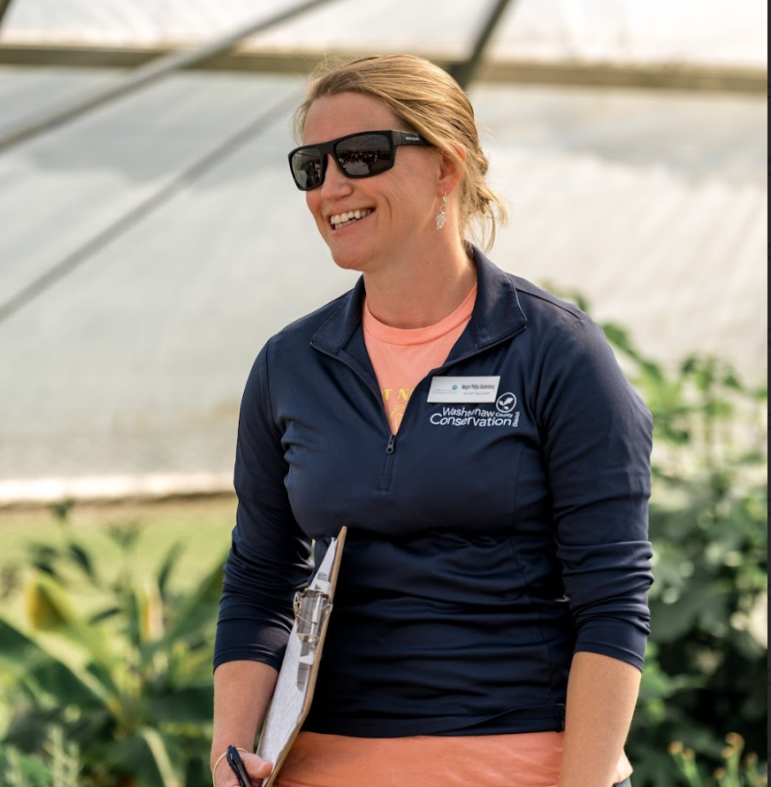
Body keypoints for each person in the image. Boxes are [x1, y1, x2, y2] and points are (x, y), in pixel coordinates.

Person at [211, 54, 653, 787]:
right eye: (310, 166)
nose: (332, 186)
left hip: (522, 757)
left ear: (446, 168)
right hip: (321, 760)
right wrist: (230, 754)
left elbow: (611, 597)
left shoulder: (555, 353)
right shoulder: (289, 365)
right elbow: (260, 578)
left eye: (360, 156)